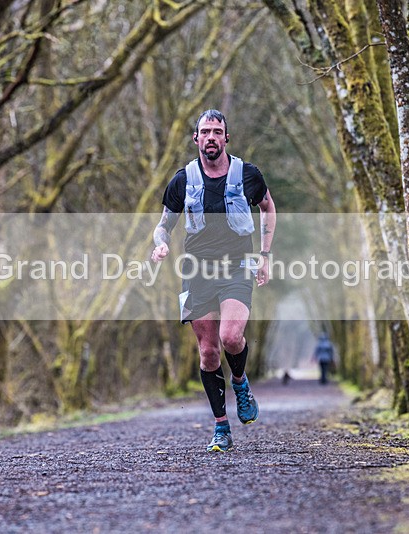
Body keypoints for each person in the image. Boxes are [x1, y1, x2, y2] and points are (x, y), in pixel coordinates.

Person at [151, 109, 277, 452]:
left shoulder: (247, 174)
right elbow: (164, 224)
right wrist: (160, 243)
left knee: (231, 336)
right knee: (208, 353)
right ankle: (221, 427)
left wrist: (264, 256)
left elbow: (268, 207)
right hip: (196, 271)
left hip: (236, 266)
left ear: (225, 138)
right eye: (204, 131)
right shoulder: (182, 180)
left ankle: (240, 380)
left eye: (216, 131)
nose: (210, 137)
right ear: (195, 138)